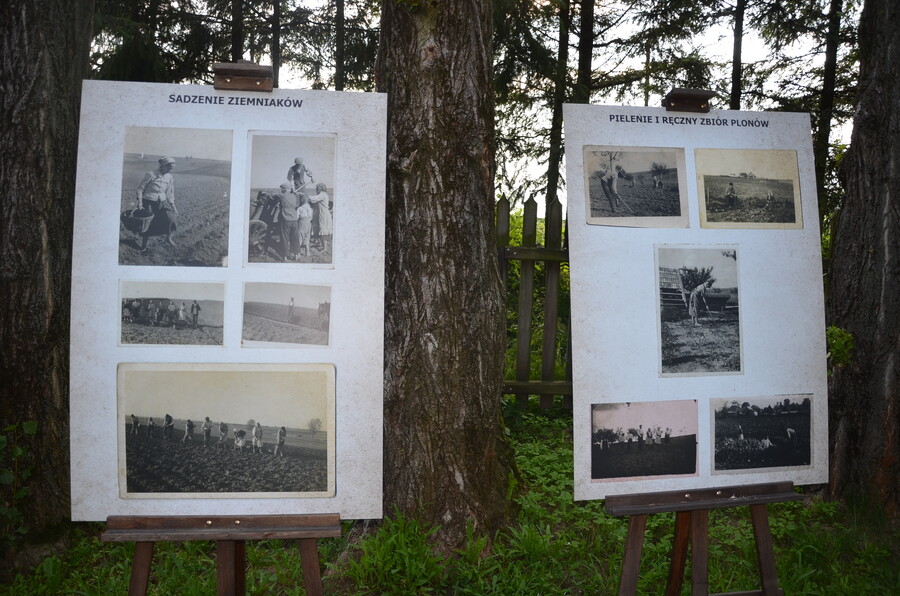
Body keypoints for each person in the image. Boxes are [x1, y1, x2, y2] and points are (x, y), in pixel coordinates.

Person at [136, 156, 178, 250]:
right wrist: (140, 203)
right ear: (163, 166)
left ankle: (168, 238)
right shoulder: (151, 174)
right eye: (169, 168)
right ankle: (144, 246)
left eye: (171, 169)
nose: (170, 170)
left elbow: (169, 193)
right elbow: (140, 188)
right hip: (148, 202)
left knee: (171, 218)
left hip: (161, 202)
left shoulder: (169, 177)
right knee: (148, 223)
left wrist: (174, 207)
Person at [276, 183, 301, 261]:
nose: (281, 190)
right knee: (295, 238)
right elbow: (297, 204)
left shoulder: (282, 195)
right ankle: (296, 255)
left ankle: (285, 256)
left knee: (285, 238)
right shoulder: (294, 196)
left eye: (281, 189)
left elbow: (273, 196)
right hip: (294, 220)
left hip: (286, 220)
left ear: (284, 189)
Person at [307, 183, 333, 254]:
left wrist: (304, 195)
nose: (316, 189)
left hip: (324, 215)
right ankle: (323, 246)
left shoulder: (323, 195)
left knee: (323, 230)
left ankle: (325, 248)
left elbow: (313, 198)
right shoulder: (320, 195)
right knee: (320, 229)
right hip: (321, 214)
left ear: (321, 189)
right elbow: (313, 200)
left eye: (317, 188)